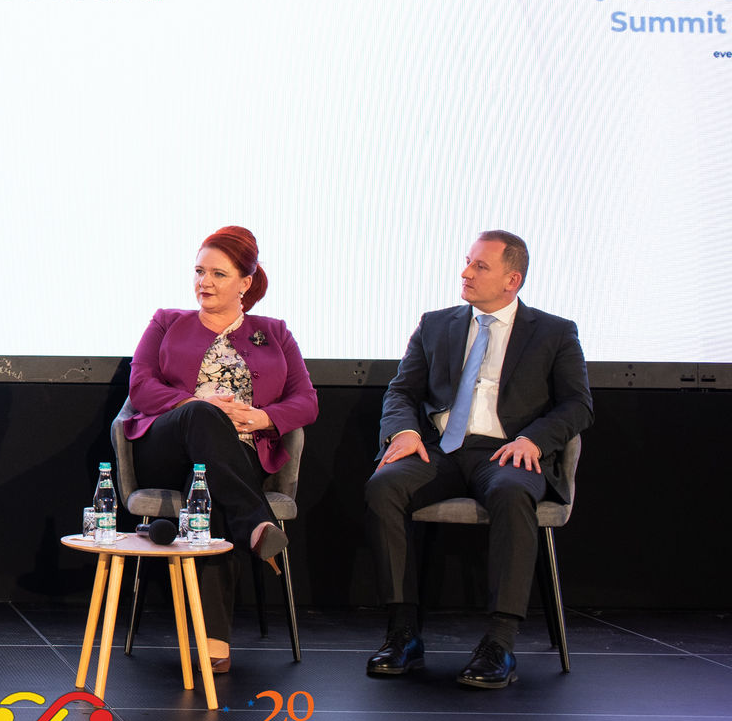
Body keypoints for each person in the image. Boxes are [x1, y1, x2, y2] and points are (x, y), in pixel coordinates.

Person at [364, 230, 591, 689]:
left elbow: (577, 405)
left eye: (480, 266)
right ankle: (403, 633)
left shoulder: (554, 332)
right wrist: (405, 431)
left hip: (507, 452)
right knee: (383, 486)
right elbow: (402, 390)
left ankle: (499, 643)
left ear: (512, 279)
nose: (465, 272)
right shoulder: (435, 324)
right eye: (467, 261)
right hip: (440, 449)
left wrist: (534, 440)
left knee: (511, 493)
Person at [123, 226, 317, 673]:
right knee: (202, 417)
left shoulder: (274, 332)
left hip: (238, 454)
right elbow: (141, 386)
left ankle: (214, 643)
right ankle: (257, 523)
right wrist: (198, 404)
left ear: (245, 283)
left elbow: (306, 401)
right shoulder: (167, 322)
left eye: (218, 274)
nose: (204, 282)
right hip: (168, 443)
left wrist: (263, 418)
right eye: (199, 271)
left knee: (210, 489)